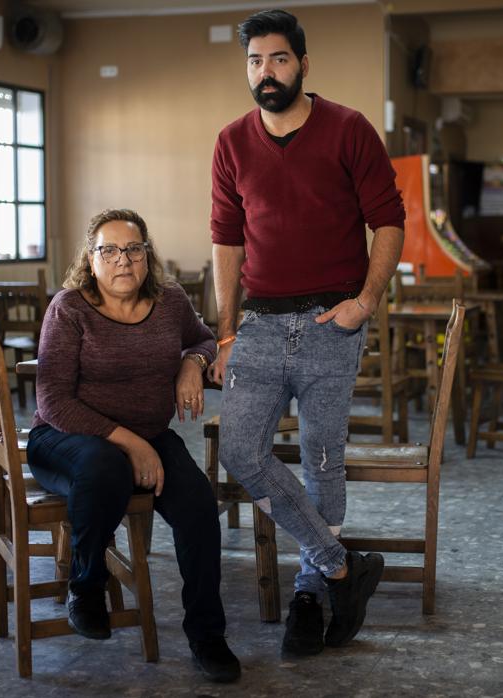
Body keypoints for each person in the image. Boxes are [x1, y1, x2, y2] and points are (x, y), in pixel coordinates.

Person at [209, 9, 406, 659]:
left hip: (331, 322)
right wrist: (227, 328)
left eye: (278, 59)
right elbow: (226, 240)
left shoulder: (349, 129)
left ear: (303, 64)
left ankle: (307, 595)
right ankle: (339, 566)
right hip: (261, 323)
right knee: (239, 448)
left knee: (323, 459)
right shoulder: (231, 142)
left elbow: (389, 222)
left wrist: (364, 302)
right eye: (255, 61)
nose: (266, 72)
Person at [26, 209, 240, 683]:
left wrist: (191, 363)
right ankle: (86, 586)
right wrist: (131, 445)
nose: (123, 260)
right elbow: (53, 400)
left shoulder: (170, 302)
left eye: (134, 249)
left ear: (147, 255)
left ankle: (208, 634)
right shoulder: (69, 308)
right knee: (107, 466)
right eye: (109, 250)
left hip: (148, 435)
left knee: (200, 507)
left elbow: (204, 339)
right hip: (64, 438)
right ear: (91, 258)